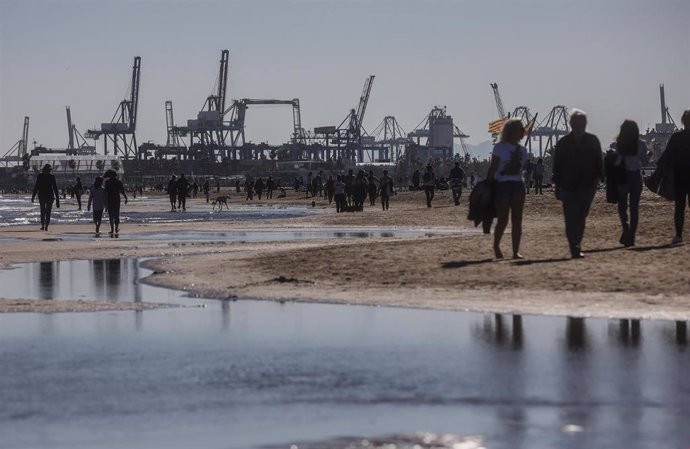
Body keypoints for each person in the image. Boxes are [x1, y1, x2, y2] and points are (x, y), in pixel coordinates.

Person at [552, 109, 603, 258]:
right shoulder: (563, 143)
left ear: (585, 124)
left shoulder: (593, 140)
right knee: (570, 217)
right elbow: (557, 165)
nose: (579, 126)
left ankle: (577, 243)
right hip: (569, 185)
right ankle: (574, 246)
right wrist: (557, 186)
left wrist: (600, 177)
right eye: (577, 123)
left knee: (581, 215)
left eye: (581, 123)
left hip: (588, 185)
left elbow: (599, 161)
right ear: (571, 124)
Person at [486, 119, 528, 259]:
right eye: (520, 129)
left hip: (518, 185)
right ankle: (496, 245)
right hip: (503, 185)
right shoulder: (499, 148)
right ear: (512, 131)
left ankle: (515, 251)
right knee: (503, 219)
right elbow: (493, 167)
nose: (523, 132)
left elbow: (521, 169)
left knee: (517, 220)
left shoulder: (523, 150)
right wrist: (488, 185)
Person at [613, 120, 646, 247]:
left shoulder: (620, 144)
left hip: (624, 177)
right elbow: (644, 160)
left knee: (622, 206)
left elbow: (617, 162)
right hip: (636, 176)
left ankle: (625, 228)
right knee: (634, 208)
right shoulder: (642, 144)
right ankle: (631, 235)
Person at [665, 110, 690, 244]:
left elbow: (667, 156)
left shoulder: (676, 137)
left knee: (679, 206)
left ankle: (679, 235)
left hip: (680, 175)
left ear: (683, 121)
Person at [31, 164, 60, 231]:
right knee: (48, 211)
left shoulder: (40, 176)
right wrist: (57, 199)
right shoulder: (52, 177)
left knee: (43, 211)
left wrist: (33, 196)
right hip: (49, 196)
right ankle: (46, 226)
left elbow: (36, 187)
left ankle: (43, 226)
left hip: (42, 196)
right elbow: (55, 188)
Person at [103, 170, 128, 235]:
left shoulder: (107, 182)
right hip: (117, 200)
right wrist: (125, 198)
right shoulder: (118, 182)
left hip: (110, 200)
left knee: (111, 215)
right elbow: (122, 191)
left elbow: (106, 193)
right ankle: (116, 228)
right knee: (116, 215)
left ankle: (112, 229)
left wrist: (105, 202)